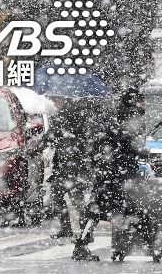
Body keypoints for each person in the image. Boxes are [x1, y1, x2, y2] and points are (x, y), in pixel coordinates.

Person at [72, 88, 151, 262]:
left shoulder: (114, 118)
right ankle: (133, 246)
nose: (145, 103)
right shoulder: (132, 120)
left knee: (97, 210)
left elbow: (102, 144)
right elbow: (129, 146)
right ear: (135, 102)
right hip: (122, 174)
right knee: (131, 209)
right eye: (142, 100)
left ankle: (83, 245)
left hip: (107, 173)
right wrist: (140, 153)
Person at [25, 95, 103, 239]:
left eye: (55, 100)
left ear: (63, 100)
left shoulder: (65, 117)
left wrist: (33, 151)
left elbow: (49, 137)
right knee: (65, 197)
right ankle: (80, 230)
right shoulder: (78, 115)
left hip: (71, 165)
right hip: (73, 164)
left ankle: (80, 230)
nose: (54, 103)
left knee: (70, 198)